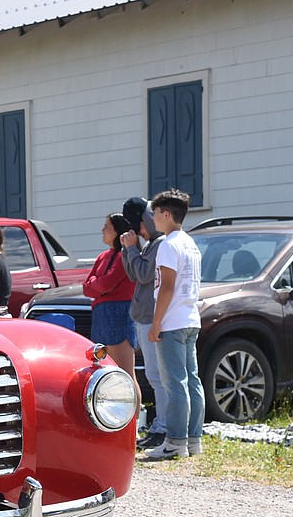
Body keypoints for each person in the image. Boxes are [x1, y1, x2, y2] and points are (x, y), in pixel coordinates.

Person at [144, 189, 205, 460]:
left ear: (166, 214)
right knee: (192, 381)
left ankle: (175, 442)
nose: (153, 219)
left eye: (155, 214)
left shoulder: (168, 244)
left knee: (175, 383)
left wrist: (156, 324)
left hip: (172, 321)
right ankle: (193, 440)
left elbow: (166, 287)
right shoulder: (190, 243)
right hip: (191, 318)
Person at [120, 196, 168, 450]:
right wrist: (129, 248)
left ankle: (163, 426)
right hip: (144, 317)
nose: (136, 230)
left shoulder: (159, 245)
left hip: (152, 319)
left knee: (158, 376)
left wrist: (131, 248)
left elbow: (144, 274)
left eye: (136, 225)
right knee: (153, 375)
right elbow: (132, 274)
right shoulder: (148, 244)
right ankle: (161, 423)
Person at [83, 213, 140, 391]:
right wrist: (98, 285)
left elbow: (108, 283)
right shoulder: (102, 256)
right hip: (101, 317)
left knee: (125, 373)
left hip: (119, 315)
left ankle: (135, 419)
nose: (102, 230)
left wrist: (98, 286)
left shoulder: (124, 256)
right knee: (105, 373)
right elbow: (86, 287)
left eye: (107, 226)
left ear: (117, 230)